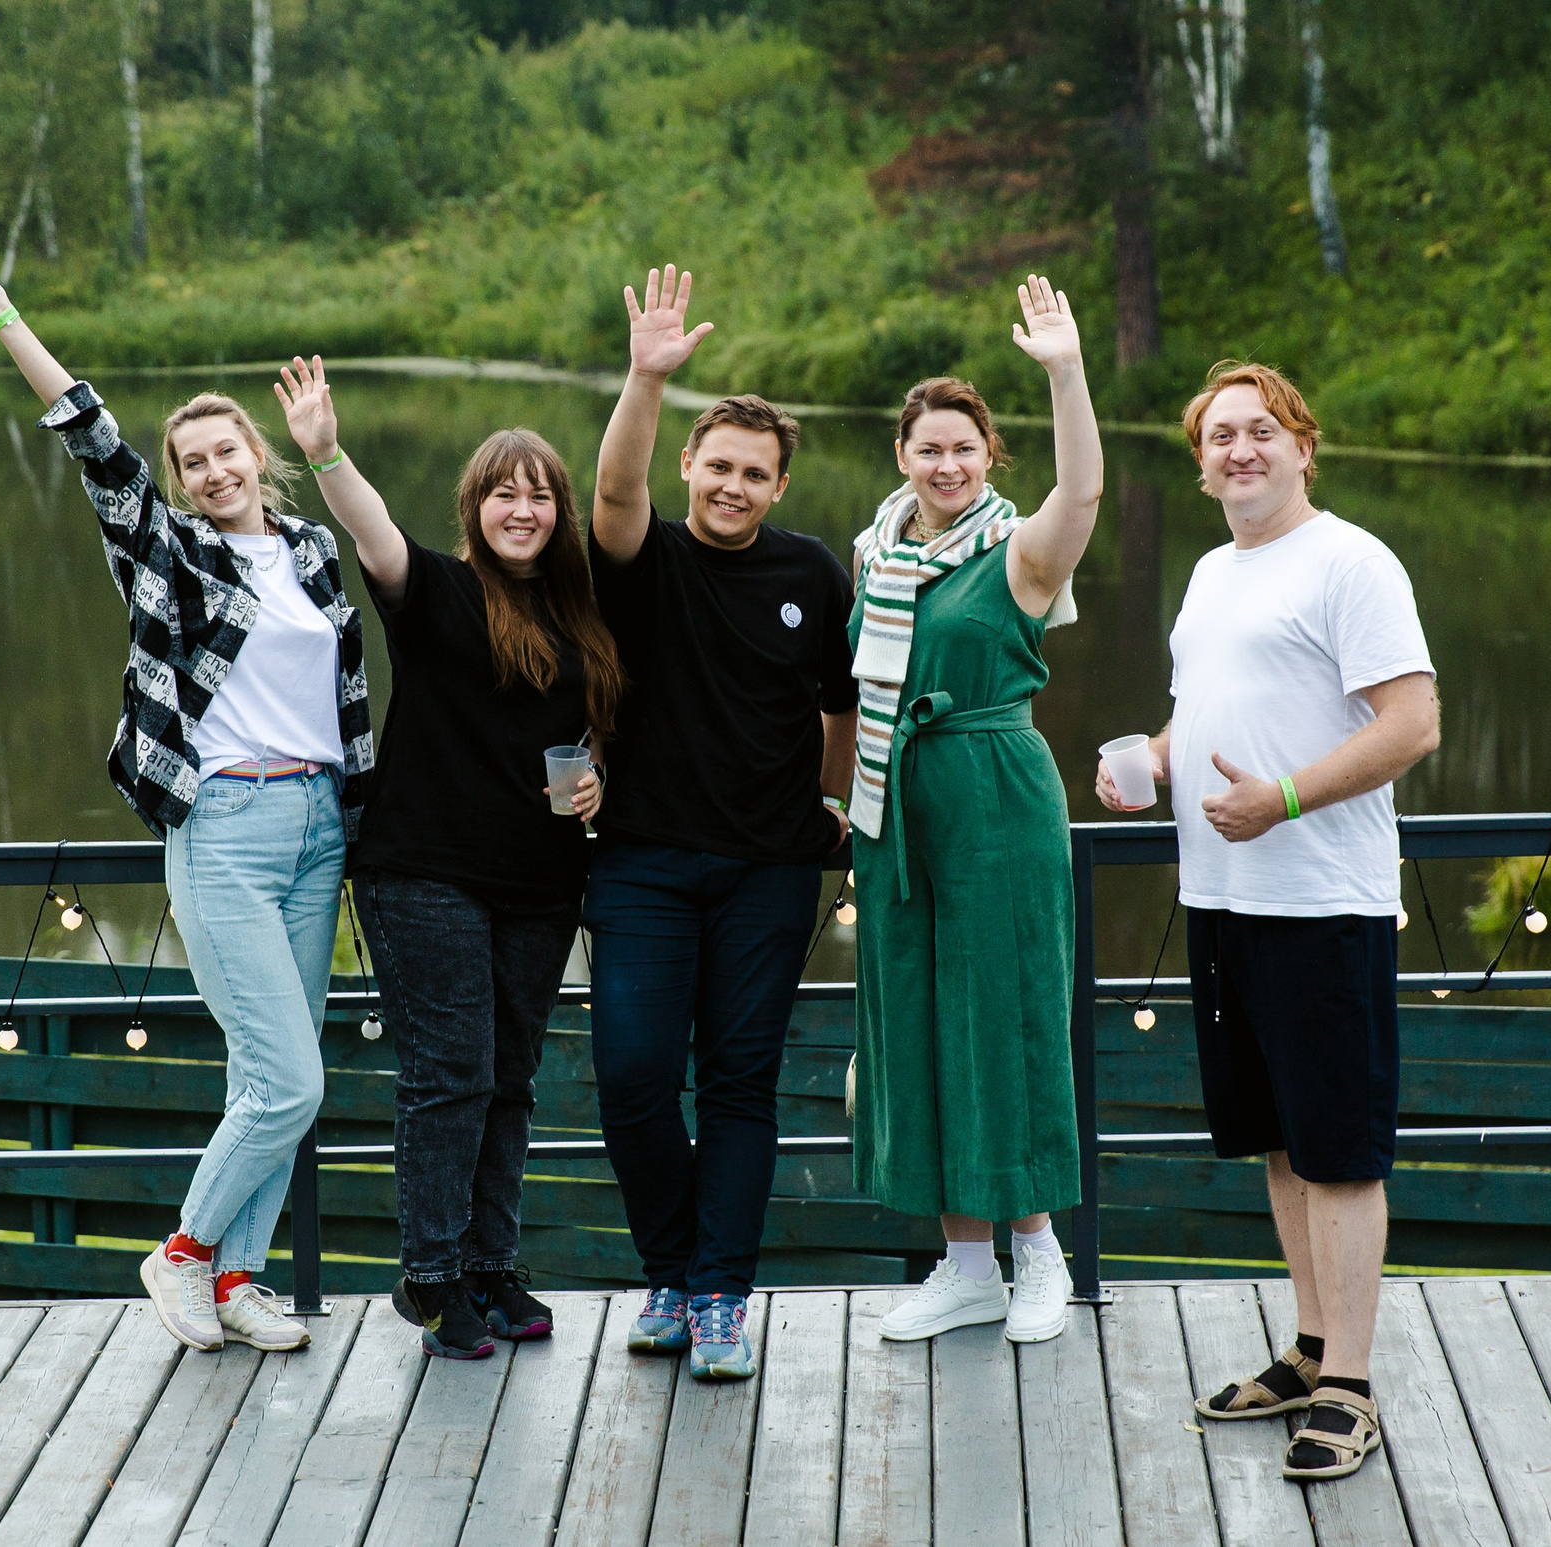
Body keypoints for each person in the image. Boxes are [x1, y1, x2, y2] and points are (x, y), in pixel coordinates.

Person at [0, 263, 372, 1358]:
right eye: (193, 461)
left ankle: (237, 1280)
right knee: (292, 1079)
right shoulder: (168, 554)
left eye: (228, 451)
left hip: (318, 827)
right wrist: (15, 325)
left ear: (257, 457)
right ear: (178, 479)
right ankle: (181, 1253)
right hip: (221, 828)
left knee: (267, 1071)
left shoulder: (311, 554)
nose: (214, 470)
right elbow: (93, 440)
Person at [1096, 360, 1438, 1482]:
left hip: (1319, 901)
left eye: (1260, 432)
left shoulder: (1351, 562)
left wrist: (1283, 797)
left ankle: (1349, 1386)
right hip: (1221, 896)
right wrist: (1152, 755)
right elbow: (1202, 711)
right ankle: (1307, 1348)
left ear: (1303, 445)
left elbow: (1412, 724)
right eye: (1219, 437)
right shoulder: (1209, 572)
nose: (1239, 451)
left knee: (1338, 1151)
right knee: (1283, 1141)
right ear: (1198, 466)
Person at [277, 359, 615, 1363]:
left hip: (541, 877)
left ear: (559, 512)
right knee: (450, 1073)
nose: (524, 508)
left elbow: (593, 732)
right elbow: (368, 531)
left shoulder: (583, 618)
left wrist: (598, 772)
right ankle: (428, 1279)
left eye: (540, 494)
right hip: (425, 870)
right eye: (503, 493)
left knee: (508, 1078)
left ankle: (488, 1266)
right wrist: (325, 450)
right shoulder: (433, 591)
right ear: (476, 507)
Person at [586, 265, 860, 1382]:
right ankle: (666, 1269)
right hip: (643, 863)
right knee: (634, 1074)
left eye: (756, 473)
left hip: (770, 872)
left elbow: (841, 705)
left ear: (778, 483)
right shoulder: (643, 559)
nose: (734, 487)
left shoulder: (810, 575)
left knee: (741, 1083)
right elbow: (609, 495)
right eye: (719, 467)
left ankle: (717, 1299)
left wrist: (834, 805)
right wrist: (645, 379)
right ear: (688, 468)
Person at [850, 276, 1102, 1348]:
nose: (945, 465)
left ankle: (1038, 1252)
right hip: (895, 809)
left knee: (1004, 1017)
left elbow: (1082, 496)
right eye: (926, 448)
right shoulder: (877, 556)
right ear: (901, 457)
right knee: (916, 1025)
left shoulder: (1018, 552)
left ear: (989, 456)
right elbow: (853, 688)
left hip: (994, 793)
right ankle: (962, 1264)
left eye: (962, 448)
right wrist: (841, 798)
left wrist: (1065, 370)